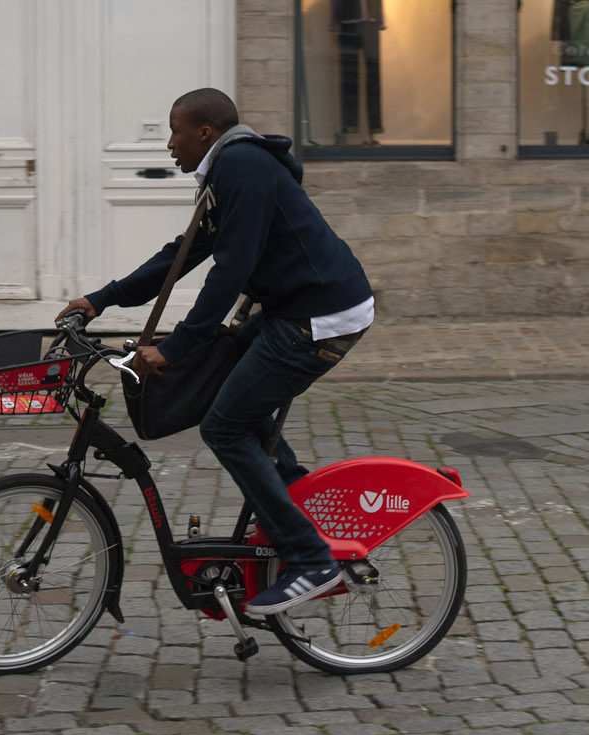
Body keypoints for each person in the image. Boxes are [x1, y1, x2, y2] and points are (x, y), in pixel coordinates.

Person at [57, 88, 374, 615]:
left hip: (320, 318)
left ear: (205, 132)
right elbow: (180, 256)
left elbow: (232, 268)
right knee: (230, 400)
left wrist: (179, 345)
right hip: (295, 309)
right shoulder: (229, 171)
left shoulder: (241, 166)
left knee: (224, 424)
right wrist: (101, 300)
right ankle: (291, 507)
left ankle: (310, 559)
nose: (169, 144)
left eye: (175, 131)